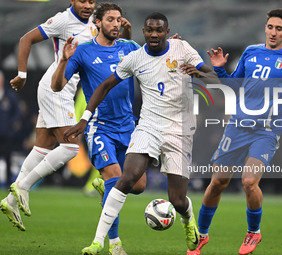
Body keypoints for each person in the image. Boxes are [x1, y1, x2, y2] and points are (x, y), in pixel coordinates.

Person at [63, 12, 217, 255]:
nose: (153, 34)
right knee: (127, 178)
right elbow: (104, 86)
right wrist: (84, 118)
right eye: (149, 30)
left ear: (167, 32)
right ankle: (98, 242)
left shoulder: (182, 47)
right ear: (143, 32)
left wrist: (201, 74)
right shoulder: (135, 58)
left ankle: (189, 222)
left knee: (177, 200)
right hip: (148, 126)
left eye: (158, 30)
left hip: (179, 130)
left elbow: (212, 75)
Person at [189, 8, 282, 255]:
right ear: (265, 28)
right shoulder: (251, 52)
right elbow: (233, 85)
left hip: (267, 131)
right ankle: (202, 235)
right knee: (218, 182)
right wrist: (219, 69)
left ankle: (253, 232)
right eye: (270, 27)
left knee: (249, 181)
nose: (274, 32)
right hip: (237, 126)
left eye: (279, 29)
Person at [0, 0, 131, 232]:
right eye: (83, 1)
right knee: (70, 147)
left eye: (91, 1)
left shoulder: (96, 22)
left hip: (66, 89)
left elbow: (117, 43)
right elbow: (25, 39)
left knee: (43, 147)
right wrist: (21, 74)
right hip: (56, 87)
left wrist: (124, 29)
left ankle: (11, 200)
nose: (88, 5)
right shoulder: (62, 20)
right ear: (72, 1)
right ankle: (23, 187)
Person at [51, 3, 146, 254]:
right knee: (116, 179)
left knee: (138, 186)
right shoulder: (82, 52)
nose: (116, 24)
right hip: (99, 127)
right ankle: (114, 244)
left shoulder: (129, 47)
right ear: (98, 23)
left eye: (119, 20)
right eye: (110, 20)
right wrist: (63, 60)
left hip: (129, 127)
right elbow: (57, 86)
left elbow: (151, 58)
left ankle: (106, 188)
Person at [0, 69, 21, 188]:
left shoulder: (10, 96)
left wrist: (12, 126)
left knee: (8, 158)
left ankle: (9, 182)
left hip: (7, 134)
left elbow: (17, 112)